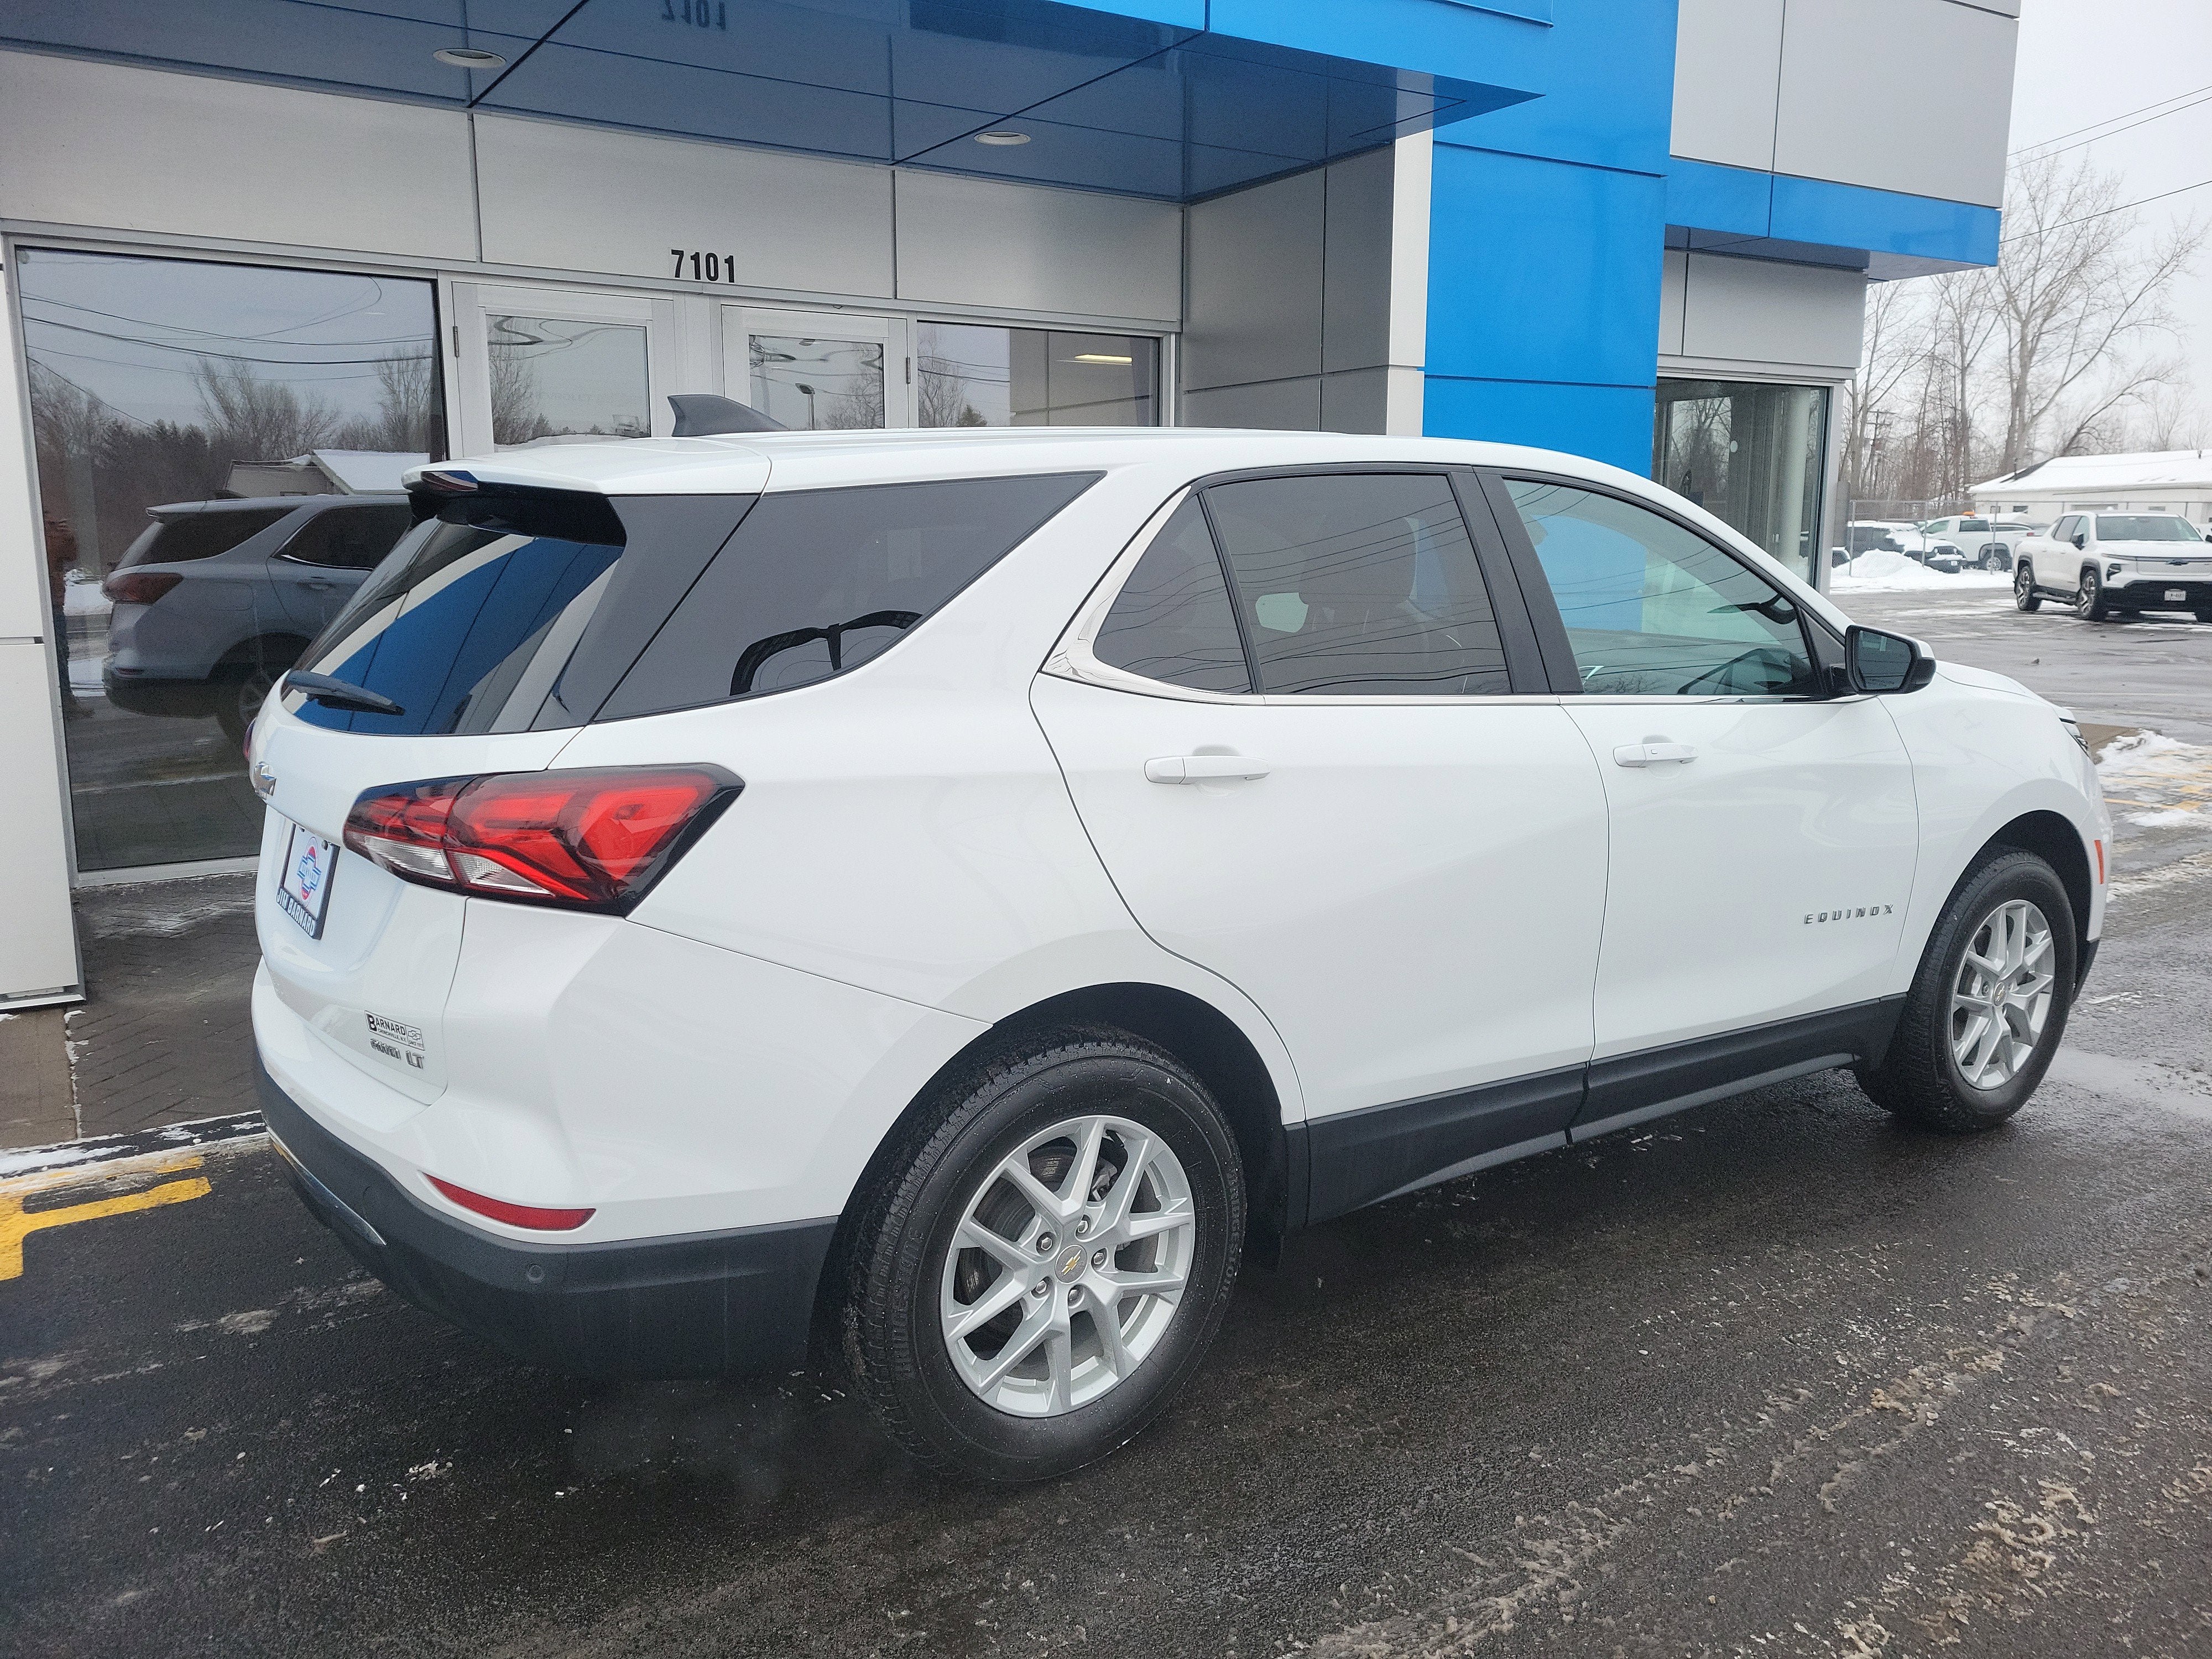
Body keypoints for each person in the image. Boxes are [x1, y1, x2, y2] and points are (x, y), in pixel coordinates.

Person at [44, 512, 90, 719]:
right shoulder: (32, 531)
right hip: (43, 599)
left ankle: (65, 699)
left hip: (52, 599)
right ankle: (61, 700)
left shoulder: (54, 532)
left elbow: (70, 556)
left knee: (61, 651)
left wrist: (67, 536)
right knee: (57, 651)